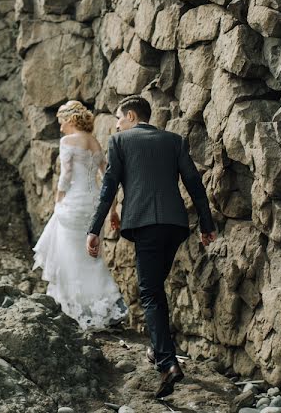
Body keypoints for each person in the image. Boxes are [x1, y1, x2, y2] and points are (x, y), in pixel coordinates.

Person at [87, 95, 217, 398]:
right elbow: (194, 184)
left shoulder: (120, 141)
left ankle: (167, 364)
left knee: (150, 292)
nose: (117, 124)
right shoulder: (174, 140)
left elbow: (109, 188)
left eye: (119, 118)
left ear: (131, 116)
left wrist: (94, 229)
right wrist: (207, 225)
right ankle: (160, 351)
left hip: (144, 224)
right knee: (155, 289)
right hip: (174, 225)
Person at [33, 100, 128, 329]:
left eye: (61, 121)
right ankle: (107, 306)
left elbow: (65, 176)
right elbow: (108, 176)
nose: (60, 127)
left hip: (74, 203)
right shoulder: (93, 141)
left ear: (70, 119)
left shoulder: (68, 141)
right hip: (94, 205)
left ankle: (72, 310)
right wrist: (112, 207)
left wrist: (57, 202)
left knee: (70, 257)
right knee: (91, 257)